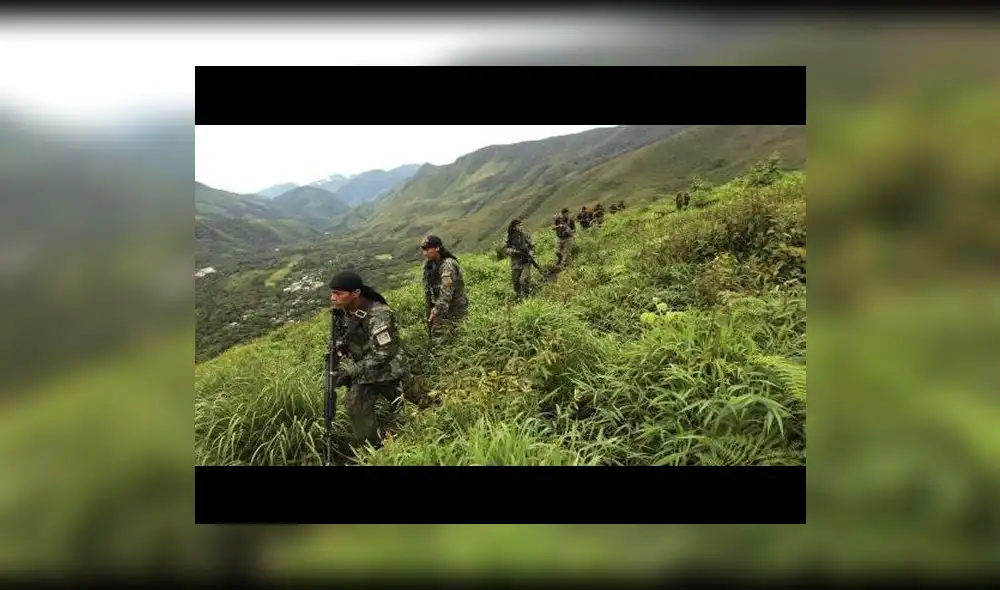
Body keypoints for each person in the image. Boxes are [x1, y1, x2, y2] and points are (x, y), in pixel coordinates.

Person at [326, 270, 422, 448]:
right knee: (355, 408)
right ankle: (372, 447)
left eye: (338, 293)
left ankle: (412, 441)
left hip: (390, 371)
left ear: (355, 294)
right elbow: (344, 338)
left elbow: (384, 352)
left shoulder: (379, 314)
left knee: (415, 406)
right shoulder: (343, 312)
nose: (332, 297)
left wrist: (350, 372)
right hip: (365, 373)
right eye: (332, 292)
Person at [421, 234, 468, 345]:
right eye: (423, 250)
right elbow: (428, 289)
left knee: (456, 337)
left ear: (437, 248)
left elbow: (446, 292)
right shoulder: (429, 265)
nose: (425, 253)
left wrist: (436, 310)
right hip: (439, 306)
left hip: (454, 308)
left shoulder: (448, 265)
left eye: (428, 250)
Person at [505, 218, 535, 300]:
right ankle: (520, 296)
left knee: (524, 280)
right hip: (516, 262)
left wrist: (531, 252)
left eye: (521, 225)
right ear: (514, 227)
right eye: (519, 225)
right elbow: (506, 249)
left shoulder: (525, 235)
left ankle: (529, 294)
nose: (521, 227)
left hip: (526, 261)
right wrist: (514, 251)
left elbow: (532, 246)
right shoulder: (509, 237)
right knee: (515, 283)